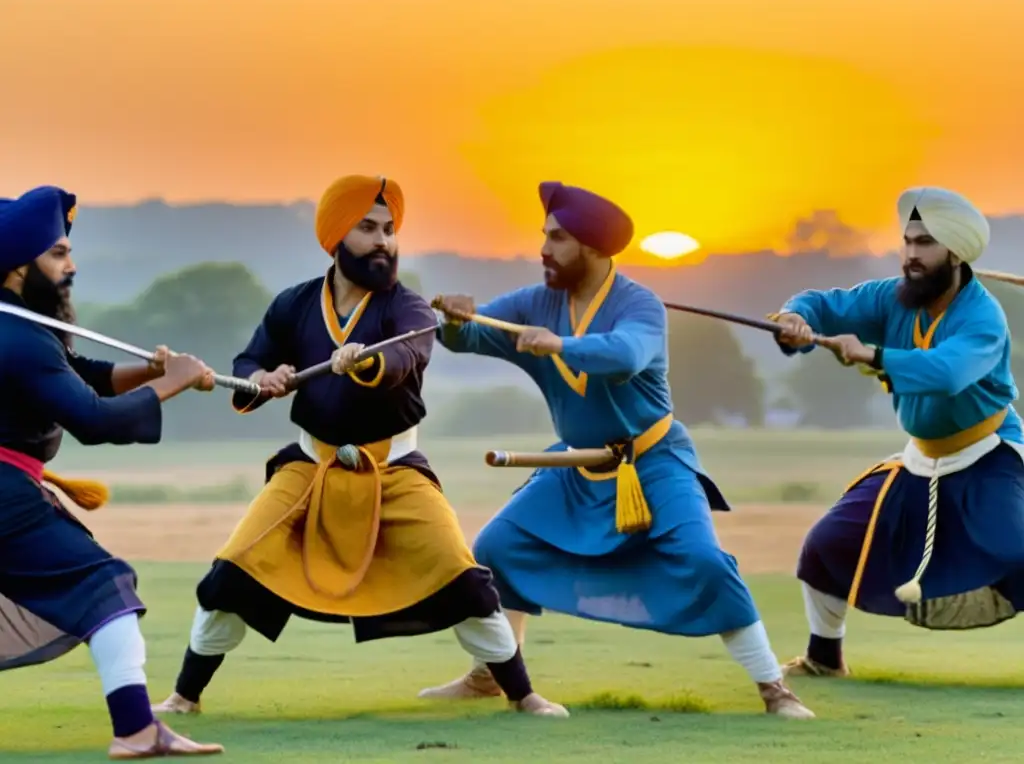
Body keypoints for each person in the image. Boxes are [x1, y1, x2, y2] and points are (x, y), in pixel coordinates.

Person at [151, 175, 566, 719]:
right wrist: (264, 377)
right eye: (368, 228)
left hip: (395, 470)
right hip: (309, 468)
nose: (383, 241)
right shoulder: (293, 305)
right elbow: (247, 365)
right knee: (234, 568)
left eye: (389, 229)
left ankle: (522, 694)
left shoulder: (408, 307)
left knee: (461, 574)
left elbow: (408, 357)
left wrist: (366, 359)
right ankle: (184, 698)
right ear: (335, 237)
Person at [420, 180, 814, 719]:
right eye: (543, 236)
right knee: (497, 547)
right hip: (575, 466)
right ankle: (491, 674)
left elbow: (628, 355)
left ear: (593, 247)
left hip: (654, 462)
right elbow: (474, 337)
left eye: (557, 238)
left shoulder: (640, 305)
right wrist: (456, 320)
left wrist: (561, 344)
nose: (543, 249)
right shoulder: (535, 302)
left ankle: (775, 689)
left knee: (702, 560)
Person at [0, 186, 224, 758]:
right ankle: (137, 730)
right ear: (18, 269)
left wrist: (148, 371)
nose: (71, 265)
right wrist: (173, 381)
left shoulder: (21, 333)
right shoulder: (20, 339)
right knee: (106, 587)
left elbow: (78, 372)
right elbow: (92, 420)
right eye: (57, 254)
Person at [772, 186, 1024, 679]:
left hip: (989, 455)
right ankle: (824, 658)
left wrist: (873, 355)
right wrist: (794, 318)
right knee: (826, 545)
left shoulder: (983, 317)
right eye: (907, 241)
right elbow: (823, 304)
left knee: (1016, 551)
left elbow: (948, 373)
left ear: (955, 251)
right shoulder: (890, 298)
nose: (910, 254)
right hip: (919, 459)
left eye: (925, 243)